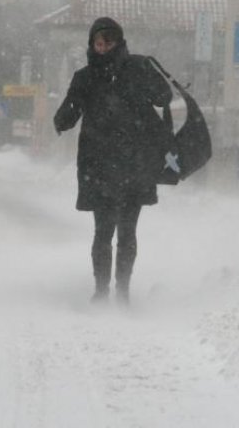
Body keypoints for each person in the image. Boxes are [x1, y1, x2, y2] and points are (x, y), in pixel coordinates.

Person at [54, 17, 172, 306]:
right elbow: (67, 116)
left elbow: (164, 96)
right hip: (101, 166)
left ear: (118, 42)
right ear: (92, 44)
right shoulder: (85, 78)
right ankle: (102, 290)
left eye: (108, 41)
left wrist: (149, 71)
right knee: (104, 231)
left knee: (126, 231)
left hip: (131, 165)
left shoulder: (137, 69)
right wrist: (64, 115)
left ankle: (122, 292)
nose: (103, 46)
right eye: (98, 42)